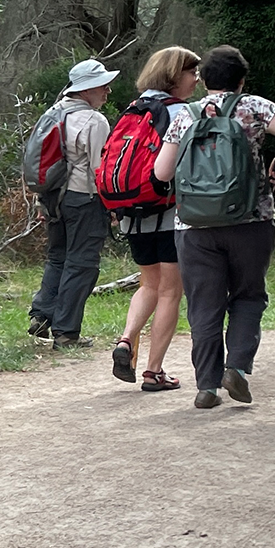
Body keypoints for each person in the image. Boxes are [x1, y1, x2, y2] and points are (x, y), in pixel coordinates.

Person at [154, 45, 275, 409]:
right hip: (251, 220)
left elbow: (161, 172)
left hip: (192, 225)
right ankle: (237, 368)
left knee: (204, 306)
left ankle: (206, 386)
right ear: (242, 80)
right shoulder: (255, 106)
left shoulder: (185, 115)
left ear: (204, 80)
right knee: (248, 296)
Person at [110, 46, 201, 392]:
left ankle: (126, 340)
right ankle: (153, 371)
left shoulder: (132, 110)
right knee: (170, 291)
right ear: (175, 76)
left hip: (133, 213)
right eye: (192, 72)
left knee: (148, 284)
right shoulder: (183, 113)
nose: (196, 79)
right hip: (168, 210)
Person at [28, 58, 118, 349]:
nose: (107, 91)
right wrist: (113, 207)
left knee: (58, 257)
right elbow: (99, 170)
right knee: (82, 264)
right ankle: (66, 332)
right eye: (103, 86)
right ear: (87, 89)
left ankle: (42, 315)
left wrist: (42, 202)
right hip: (84, 200)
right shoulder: (94, 121)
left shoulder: (52, 113)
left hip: (53, 198)